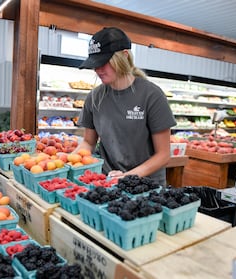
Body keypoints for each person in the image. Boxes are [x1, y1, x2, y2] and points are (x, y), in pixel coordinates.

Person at [76, 27, 177, 186]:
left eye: (104, 62)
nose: (98, 69)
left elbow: (163, 155)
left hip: (146, 187)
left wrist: (127, 177)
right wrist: (69, 160)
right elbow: (89, 142)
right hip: (107, 182)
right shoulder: (95, 97)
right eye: (95, 64)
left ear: (124, 56)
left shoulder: (151, 95)